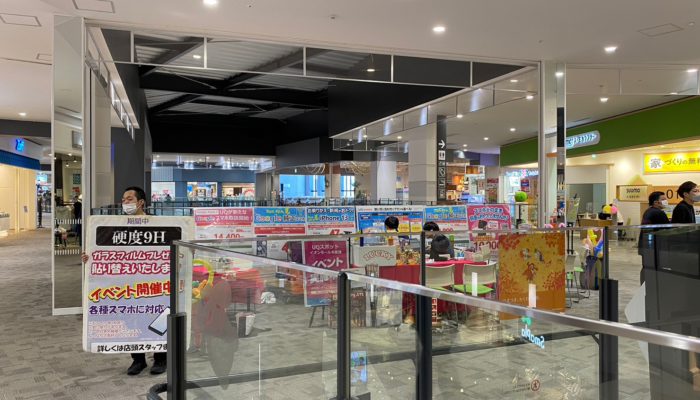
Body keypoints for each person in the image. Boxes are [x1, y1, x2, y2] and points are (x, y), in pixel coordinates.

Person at [82, 186, 167, 376]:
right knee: (132, 319)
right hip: (128, 284)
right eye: (123, 200)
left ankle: (161, 358)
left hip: (154, 283)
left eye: (129, 199)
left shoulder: (158, 224)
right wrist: (90, 258)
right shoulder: (118, 225)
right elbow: (105, 251)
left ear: (141, 202)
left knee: (157, 318)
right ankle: (138, 360)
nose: (125, 203)